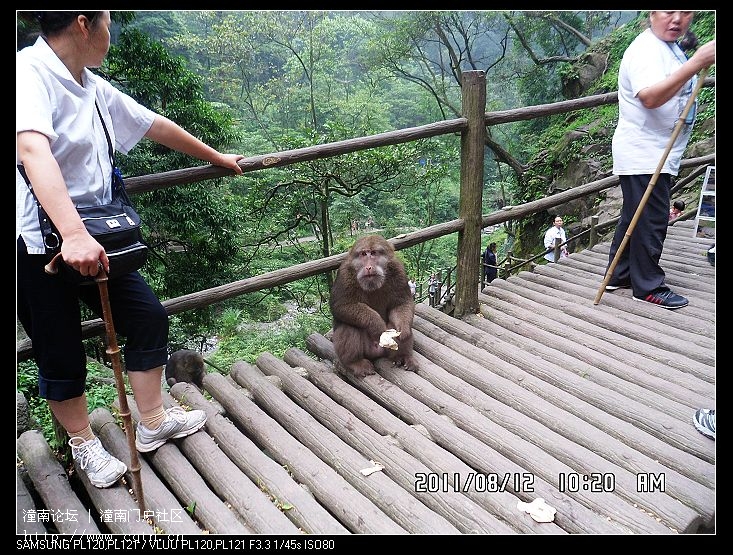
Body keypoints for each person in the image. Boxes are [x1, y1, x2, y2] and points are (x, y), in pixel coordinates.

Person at [16, 11, 244, 488]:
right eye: (106, 20)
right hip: (40, 242)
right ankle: (83, 444)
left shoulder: (91, 85)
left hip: (99, 235)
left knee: (146, 317)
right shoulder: (28, 74)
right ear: (83, 23)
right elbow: (33, 150)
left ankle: (153, 420)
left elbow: (153, 124)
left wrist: (216, 157)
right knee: (59, 346)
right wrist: (73, 233)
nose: (110, 31)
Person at [604, 11, 715, 309]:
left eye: (685, 12)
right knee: (652, 219)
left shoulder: (668, 45)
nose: (677, 19)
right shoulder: (645, 49)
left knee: (635, 215)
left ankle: (619, 273)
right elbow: (650, 97)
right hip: (644, 152)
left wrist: (692, 57)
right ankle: (648, 285)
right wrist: (696, 63)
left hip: (656, 150)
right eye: (668, 11)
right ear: (652, 14)